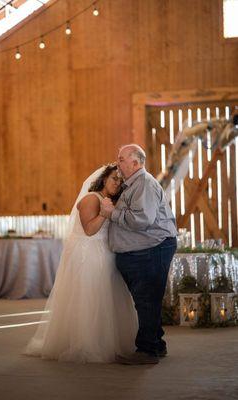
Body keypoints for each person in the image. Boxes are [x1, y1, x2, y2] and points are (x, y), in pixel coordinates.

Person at [25, 164, 138, 363]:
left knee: (107, 299)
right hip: (89, 256)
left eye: (121, 181)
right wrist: (104, 213)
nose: (117, 183)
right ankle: (86, 345)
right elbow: (89, 230)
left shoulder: (109, 200)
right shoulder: (90, 199)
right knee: (89, 300)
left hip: (106, 254)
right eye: (114, 179)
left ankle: (109, 343)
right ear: (104, 179)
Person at [100, 144, 177, 365]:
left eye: (121, 158)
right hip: (143, 249)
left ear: (136, 163)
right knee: (147, 300)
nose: (117, 163)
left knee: (146, 300)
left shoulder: (143, 183)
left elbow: (141, 220)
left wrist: (111, 213)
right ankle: (156, 344)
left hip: (151, 248)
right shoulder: (132, 184)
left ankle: (147, 350)